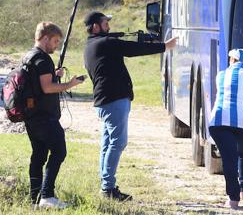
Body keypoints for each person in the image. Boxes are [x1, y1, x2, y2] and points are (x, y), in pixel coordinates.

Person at [83, 11, 177, 201]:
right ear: (95, 27)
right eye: (105, 23)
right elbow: (133, 49)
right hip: (114, 100)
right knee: (117, 143)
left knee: (108, 143)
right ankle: (107, 188)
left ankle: (106, 185)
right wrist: (165, 46)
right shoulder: (106, 43)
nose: (108, 26)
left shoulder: (91, 45)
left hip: (106, 101)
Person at [24, 22, 84, 209]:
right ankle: (47, 196)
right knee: (59, 151)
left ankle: (35, 198)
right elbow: (47, 87)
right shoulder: (43, 59)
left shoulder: (29, 56)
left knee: (39, 156)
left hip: (31, 116)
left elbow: (38, 81)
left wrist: (54, 74)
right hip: (45, 117)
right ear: (45, 38)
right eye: (55, 41)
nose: (56, 45)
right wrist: (70, 84)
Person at [208, 48, 243, 210]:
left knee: (229, 159)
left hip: (220, 122)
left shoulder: (221, 75)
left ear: (231, 60)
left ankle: (233, 199)